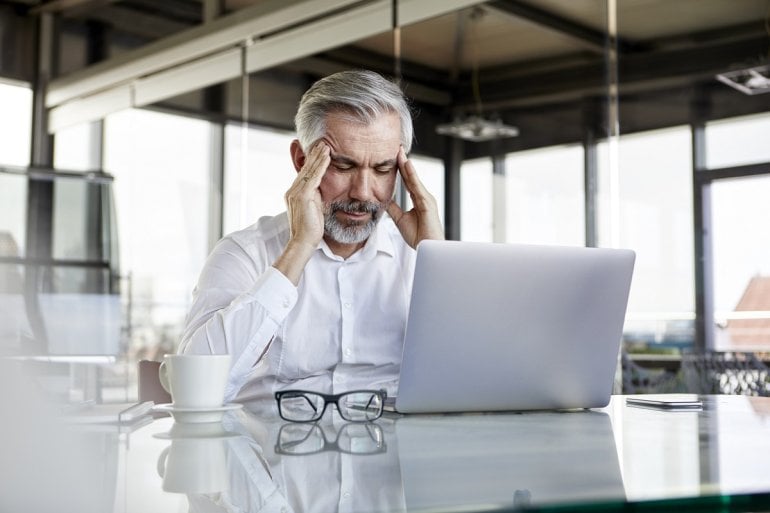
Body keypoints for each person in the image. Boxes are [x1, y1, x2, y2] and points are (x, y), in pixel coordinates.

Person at [179, 70, 444, 402]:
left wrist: (435, 257)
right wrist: (299, 247)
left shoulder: (417, 254)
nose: (363, 193)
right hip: (268, 450)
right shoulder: (244, 253)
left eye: (382, 169)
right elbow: (193, 390)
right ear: (302, 161)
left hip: (392, 450)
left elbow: (468, 384)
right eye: (343, 167)